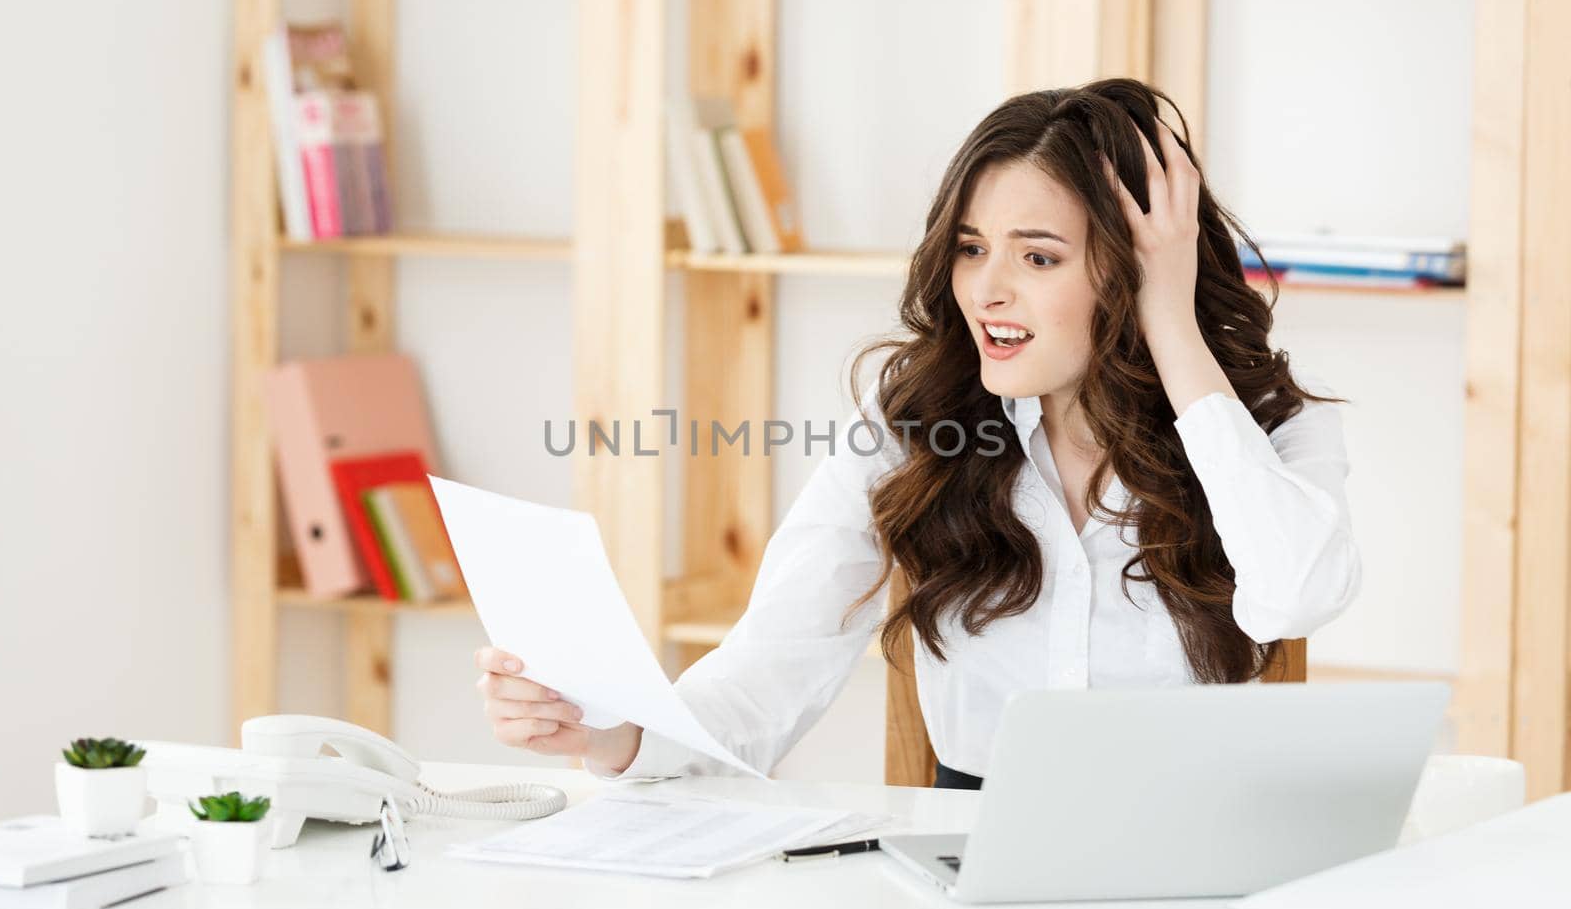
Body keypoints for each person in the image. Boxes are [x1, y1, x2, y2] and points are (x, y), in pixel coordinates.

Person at [473, 77, 1361, 789]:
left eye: (1038, 256)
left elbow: (1297, 594)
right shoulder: (913, 431)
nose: (987, 289)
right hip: (966, 870)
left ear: (1135, 269)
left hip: (1188, 880)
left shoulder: (1274, 430)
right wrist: (617, 731)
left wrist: (1172, 323)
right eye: (973, 247)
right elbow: (772, 662)